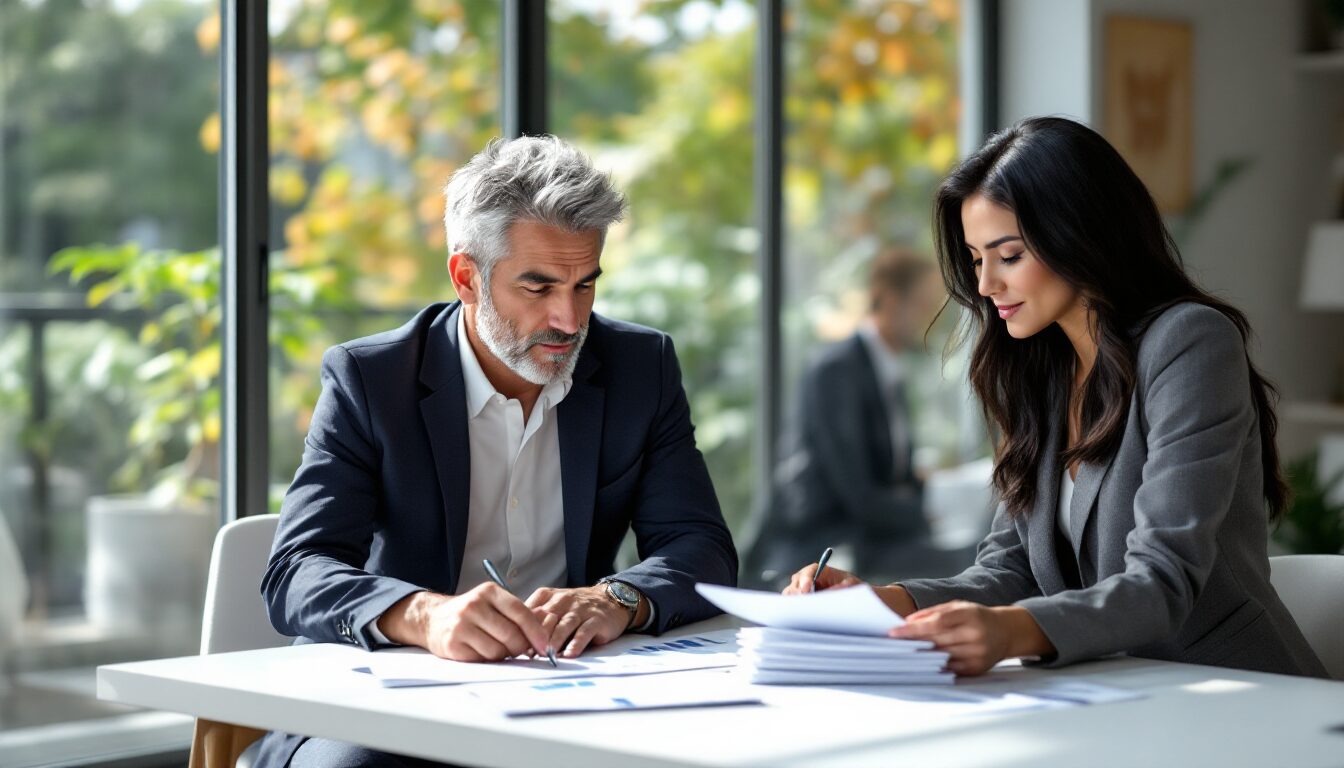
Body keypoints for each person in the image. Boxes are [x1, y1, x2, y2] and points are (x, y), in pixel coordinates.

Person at [785, 116, 1327, 680]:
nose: (985, 284)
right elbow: (1008, 570)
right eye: (975, 259)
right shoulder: (1041, 371)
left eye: (1009, 255)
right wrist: (877, 602)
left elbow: (1164, 580)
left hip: (1237, 692)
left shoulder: (1189, 341)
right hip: (1113, 694)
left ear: (1080, 234)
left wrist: (1013, 631)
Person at [256, 135, 738, 767]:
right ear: (467, 278)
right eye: (538, 288)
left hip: (575, 692)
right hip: (392, 701)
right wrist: (423, 614)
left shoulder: (638, 368)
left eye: (585, 285)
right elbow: (296, 570)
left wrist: (616, 598)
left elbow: (700, 547)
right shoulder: (372, 381)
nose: (569, 320)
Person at [744, 248, 959, 585]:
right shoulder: (837, 370)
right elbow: (856, 492)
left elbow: (893, 475)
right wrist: (925, 514)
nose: (931, 317)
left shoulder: (890, 374)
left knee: (977, 556)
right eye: (923, 304)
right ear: (889, 300)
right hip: (823, 546)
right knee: (970, 562)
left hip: (872, 539)